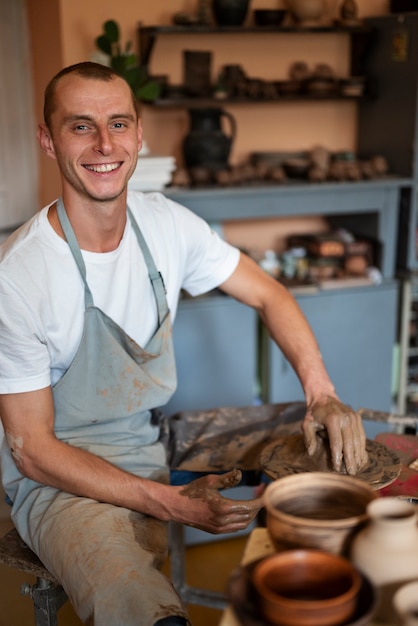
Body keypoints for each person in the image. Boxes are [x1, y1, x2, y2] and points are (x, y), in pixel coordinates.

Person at [0, 62, 367, 626]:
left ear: (139, 137)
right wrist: (171, 502)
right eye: (80, 126)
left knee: (325, 452)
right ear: (48, 141)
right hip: (58, 476)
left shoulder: (166, 224)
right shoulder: (20, 275)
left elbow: (270, 294)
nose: (104, 144)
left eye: (118, 124)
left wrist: (321, 393)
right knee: (138, 601)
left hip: (149, 435)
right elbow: (31, 448)